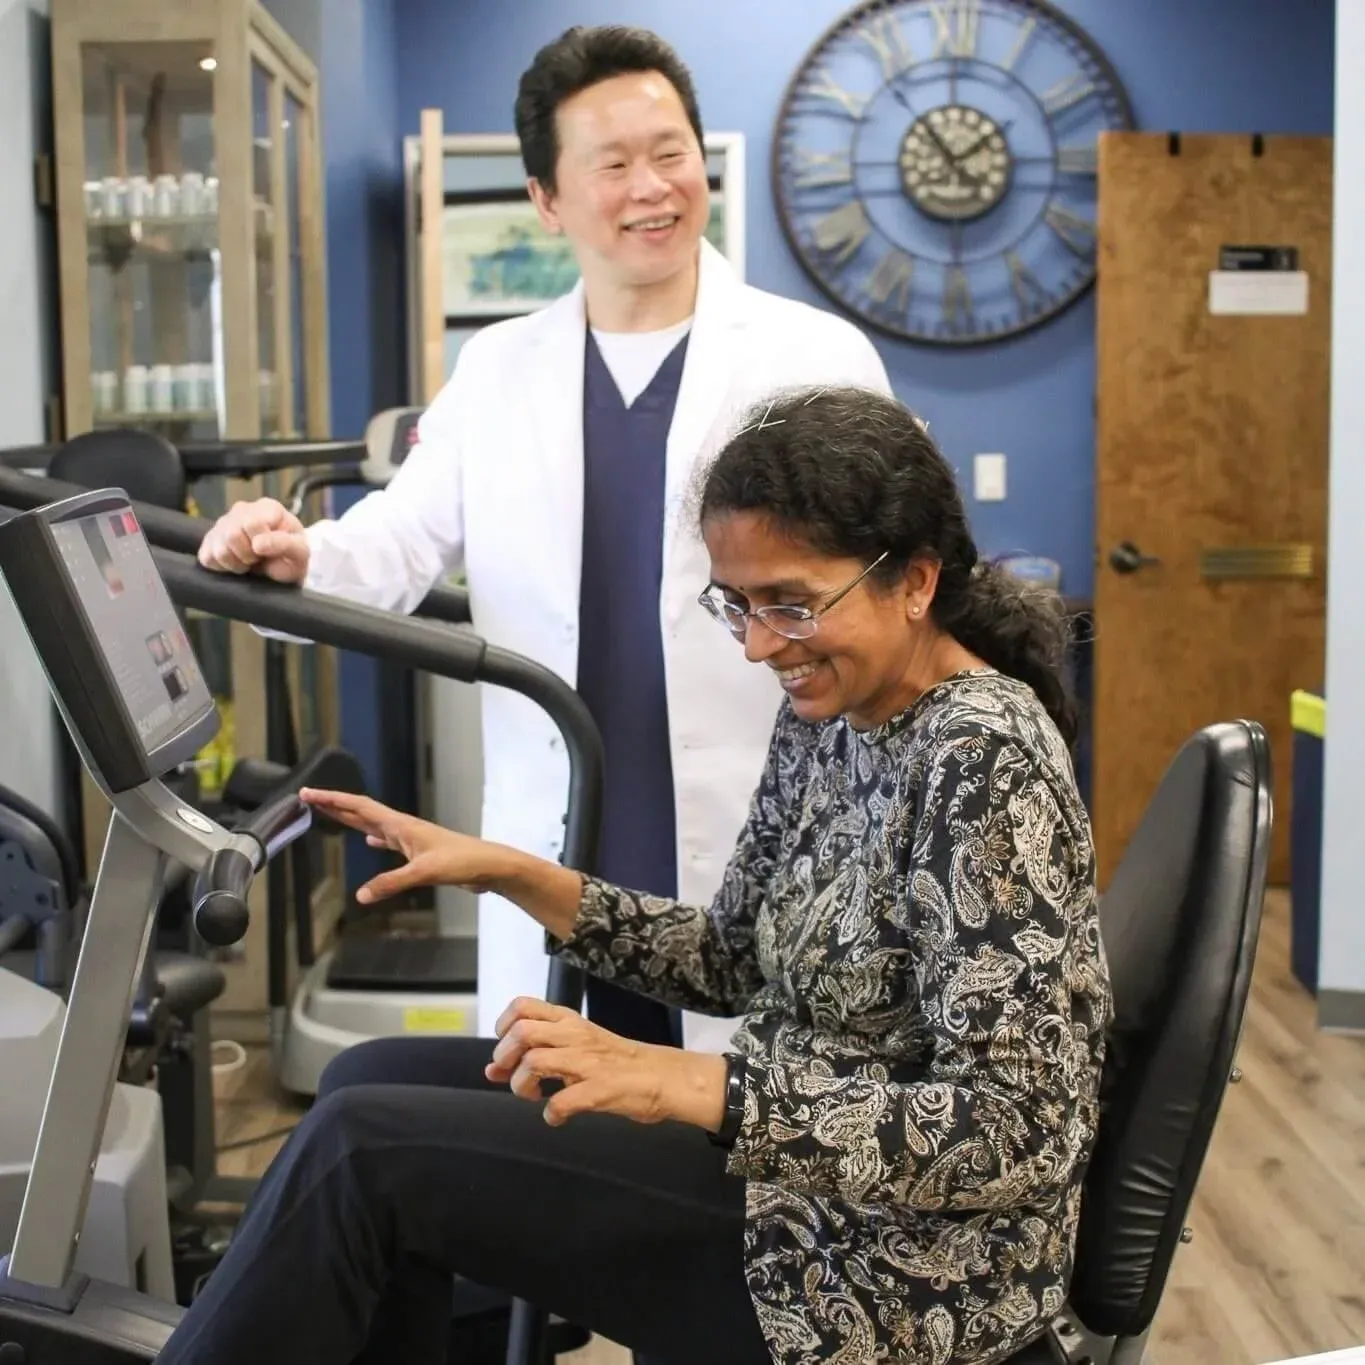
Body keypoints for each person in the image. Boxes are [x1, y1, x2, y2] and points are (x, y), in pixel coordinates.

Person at [157, 386, 1110, 1365]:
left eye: (790, 604)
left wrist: (694, 1087)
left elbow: (1019, 1130)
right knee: (366, 1079)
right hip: (786, 1166)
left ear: (914, 580)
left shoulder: (983, 755)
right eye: (735, 606)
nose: (758, 644)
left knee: (365, 1150)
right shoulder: (833, 709)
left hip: (882, 1268)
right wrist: (519, 874)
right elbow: (732, 956)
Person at [195, 24, 892, 1051]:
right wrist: (300, 555)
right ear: (548, 198)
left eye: (670, 153)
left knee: (747, 1151)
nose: (652, 187)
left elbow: (897, 589)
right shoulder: (499, 369)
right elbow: (394, 540)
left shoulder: (816, 356)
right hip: (562, 841)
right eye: (612, 164)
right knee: (563, 1134)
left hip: (767, 829)